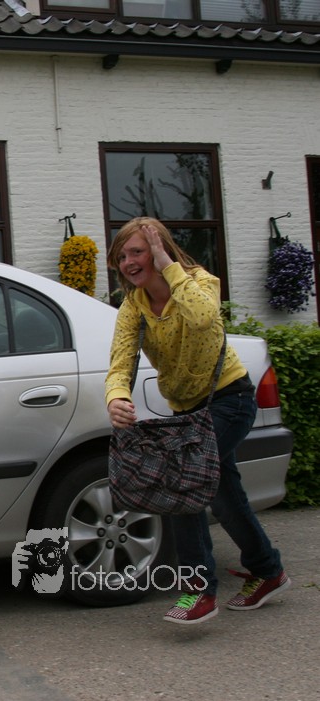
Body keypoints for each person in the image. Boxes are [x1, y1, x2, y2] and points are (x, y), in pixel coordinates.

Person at [104, 217, 290, 625]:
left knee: (181, 479)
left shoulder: (199, 282)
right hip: (186, 410)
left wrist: (168, 265)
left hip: (229, 399)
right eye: (122, 255)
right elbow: (120, 362)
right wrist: (117, 396)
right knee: (224, 495)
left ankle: (198, 590)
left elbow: (204, 317)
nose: (129, 262)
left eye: (138, 251)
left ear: (159, 250)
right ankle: (268, 571)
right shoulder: (133, 306)